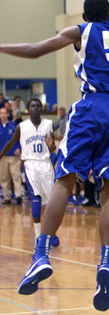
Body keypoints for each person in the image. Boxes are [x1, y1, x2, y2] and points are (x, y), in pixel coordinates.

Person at [0, 0, 109, 312]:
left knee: (65, 179)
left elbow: (32, 51)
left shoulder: (83, 31)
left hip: (92, 107)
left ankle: (41, 255)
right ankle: (105, 263)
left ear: (83, 17)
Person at [0, 99, 59, 246]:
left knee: (51, 203)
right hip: (30, 164)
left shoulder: (48, 124)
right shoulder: (22, 126)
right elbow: (10, 143)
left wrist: (51, 146)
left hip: (46, 164)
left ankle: (51, 233)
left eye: (38, 106)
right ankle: (38, 236)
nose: (36, 108)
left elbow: (52, 147)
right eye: (32, 106)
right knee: (36, 197)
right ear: (27, 109)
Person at [0, 107, 22, 204]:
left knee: (16, 175)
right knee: (3, 177)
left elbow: (21, 138)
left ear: (8, 114)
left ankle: (18, 196)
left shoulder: (14, 126)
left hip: (14, 155)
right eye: (1, 113)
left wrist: (19, 148)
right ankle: (6, 197)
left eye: (5, 113)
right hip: (2, 156)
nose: (3, 115)